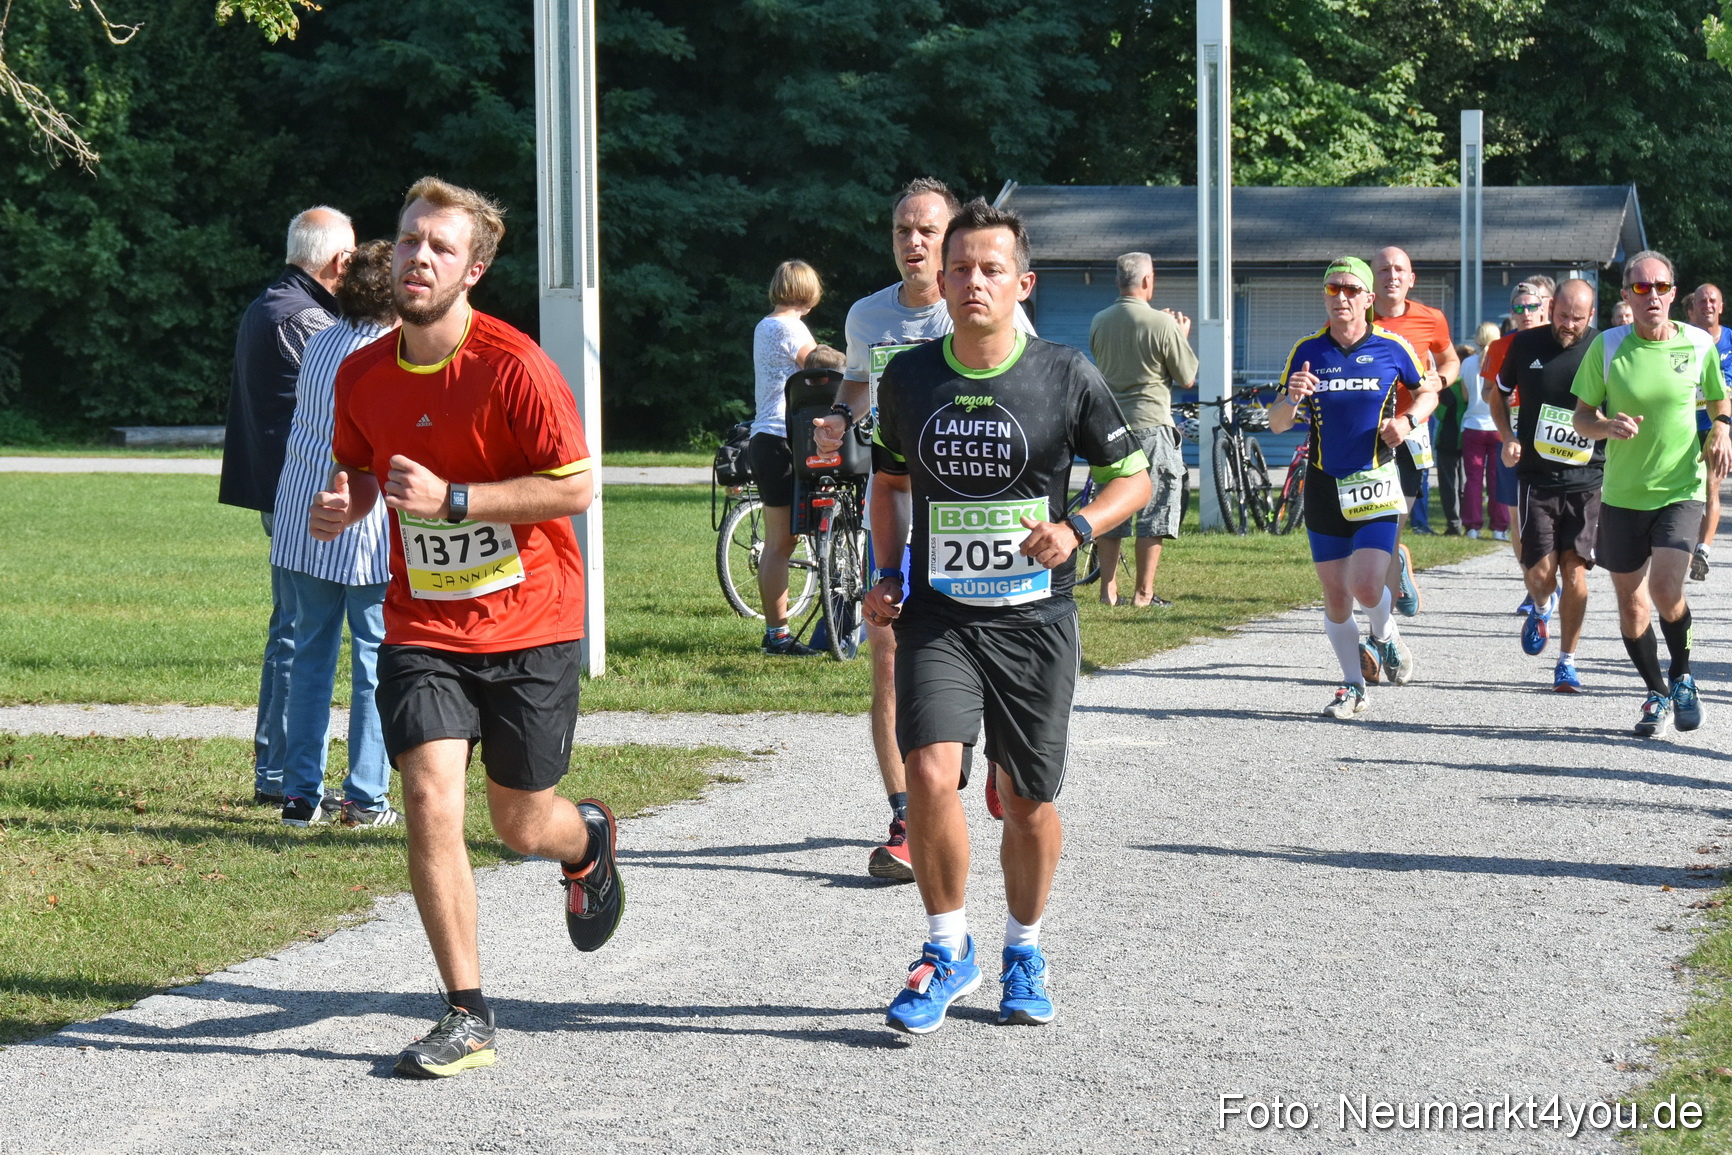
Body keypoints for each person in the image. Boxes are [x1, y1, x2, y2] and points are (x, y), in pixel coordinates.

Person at [310, 177, 623, 1076]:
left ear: (473, 269)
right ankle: (467, 1010)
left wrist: (456, 499)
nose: (418, 257)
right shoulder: (361, 371)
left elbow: (574, 485)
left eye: (440, 247)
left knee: (522, 822)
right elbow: (362, 469)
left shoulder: (514, 366)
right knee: (427, 798)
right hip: (423, 624)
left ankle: (587, 840)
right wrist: (348, 499)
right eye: (409, 239)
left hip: (530, 618)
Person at [865, 198, 1150, 1032]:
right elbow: (887, 484)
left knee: (1026, 799)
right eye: (960, 269)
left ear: (1022, 282)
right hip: (939, 615)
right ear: (941, 281)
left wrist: (1078, 526)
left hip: (1033, 620)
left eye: (992, 269)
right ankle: (946, 946)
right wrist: (887, 573)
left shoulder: (1065, 374)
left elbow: (1134, 478)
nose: (973, 282)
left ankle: (1024, 947)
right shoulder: (910, 376)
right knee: (928, 771)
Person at [811, 177, 1033, 882]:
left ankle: (1001, 756)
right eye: (903, 229)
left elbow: (1028, 390)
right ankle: (907, 813)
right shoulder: (867, 316)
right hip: (896, 502)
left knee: (990, 652)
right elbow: (854, 384)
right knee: (887, 657)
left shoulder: (985, 306)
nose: (914, 242)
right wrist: (839, 420)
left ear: (950, 241)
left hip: (974, 513)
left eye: (927, 230)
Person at [221, 206, 356, 805]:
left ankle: (274, 769)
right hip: (297, 495)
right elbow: (343, 402)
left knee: (291, 628)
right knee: (299, 632)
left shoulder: (270, 303)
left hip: (281, 491)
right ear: (339, 260)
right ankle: (277, 773)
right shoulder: (305, 318)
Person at [1570, 250, 1730, 735]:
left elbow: (1719, 399)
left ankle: (1683, 677)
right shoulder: (1608, 346)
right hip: (1620, 495)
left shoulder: (1699, 344)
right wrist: (1605, 426)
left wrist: (1722, 428)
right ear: (1626, 296)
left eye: (1661, 287)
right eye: (1642, 288)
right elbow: (1581, 417)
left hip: (1680, 489)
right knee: (1631, 604)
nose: (1653, 295)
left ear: (1673, 293)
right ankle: (1656, 693)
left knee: (1664, 589)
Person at [269, 239, 400, 828]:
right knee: (372, 662)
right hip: (363, 524)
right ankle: (365, 797)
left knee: (310, 658)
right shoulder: (390, 353)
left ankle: (300, 795)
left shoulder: (319, 340)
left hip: (302, 514)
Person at [1270, 256, 1435, 715]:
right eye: (1332, 289)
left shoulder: (1391, 346)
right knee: (1337, 594)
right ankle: (1351, 684)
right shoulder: (1308, 349)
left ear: (1367, 297)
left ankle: (1384, 634)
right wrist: (1293, 397)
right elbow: (1278, 423)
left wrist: (1406, 420)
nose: (1340, 297)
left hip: (1376, 480)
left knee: (1365, 585)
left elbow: (1428, 392)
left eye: (1349, 289)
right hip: (1324, 484)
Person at [1490, 279, 1601, 692]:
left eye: (1577, 319)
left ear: (1591, 316)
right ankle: (1541, 605)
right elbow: (1496, 395)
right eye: (1562, 316)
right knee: (1539, 573)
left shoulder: (1603, 349)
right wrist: (1508, 437)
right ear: (1551, 307)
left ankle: (1567, 662)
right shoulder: (1525, 344)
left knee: (1575, 573)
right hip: (1536, 477)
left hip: (1587, 477)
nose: (1568, 325)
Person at [1087, 251, 1197, 607]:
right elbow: (1188, 376)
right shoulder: (1163, 324)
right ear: (1147, 281)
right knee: (1156, 511)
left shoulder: (1099, 321)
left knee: (1111, 507)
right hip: (1152, 426)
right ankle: (1143, 593)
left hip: (1111, 428)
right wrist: (1181, 335)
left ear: (1119, 281)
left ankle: (1108, 590)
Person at [1370, 247, 1453, 621]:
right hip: (1364, 434)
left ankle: (1381, 632)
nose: (1392, 276)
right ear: (1372, 278)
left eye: (1399, 269)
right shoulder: (1358, 316)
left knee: (1388, 529)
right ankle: (1396, 562)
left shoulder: (1431, 319)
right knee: (1370, 534)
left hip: (1410, 431)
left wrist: (1443, 379)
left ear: (1411, 278)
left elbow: (1450, 359)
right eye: (1384, 269)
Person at [747, 260, 823, 657]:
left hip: (765, 437)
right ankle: (777, 636)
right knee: (781, 543)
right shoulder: (791, 327)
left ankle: (779, 632)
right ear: (809, 293)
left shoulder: (765, 325)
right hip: (782, 439)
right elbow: (819, 364)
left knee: (784, 540)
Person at [1481, 280, 1555, 574]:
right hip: (1512, 439)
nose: (1526, 313)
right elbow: (1488, 392)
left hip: (1550, 439)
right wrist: (1501, 396)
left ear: (1543, 308)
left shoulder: (1556, 342)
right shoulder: (1500, 346)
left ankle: (1550, 575)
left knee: (1549, 515)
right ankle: (1532, 582)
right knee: (1517, 515)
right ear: (1512, 312)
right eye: (1519, 308)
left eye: (1532, 306)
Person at [1684, 284, 1732, 581]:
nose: (1708, 305)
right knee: (1688, 490)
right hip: (1685, 426)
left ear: (1721, 306)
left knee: (1711, 487)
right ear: (1692, 309)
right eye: (1702, 300)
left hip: (1719, 427)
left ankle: (1703, 549)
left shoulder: (1730, 341)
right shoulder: (1683, 341)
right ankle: (1686, 544)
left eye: (1713, 300)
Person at [1459, 321, 1508, 539]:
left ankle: (1472, 526)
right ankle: (1499, 528)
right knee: (1497, 478)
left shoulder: (1467, 363)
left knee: (1473, 478)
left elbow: (1466, 396)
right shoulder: (1501, 361)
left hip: (1472, 425)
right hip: (1497, 426)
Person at [1435, 341, 1473, 535]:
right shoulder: (1472, 386)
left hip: (1448, 439)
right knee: (1465, 484)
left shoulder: (1449, 388)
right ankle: (1468, 522)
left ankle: (1454, 524)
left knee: (1449, 486)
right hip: (1468, 438)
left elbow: (1440, 414)